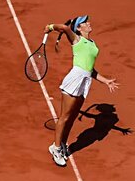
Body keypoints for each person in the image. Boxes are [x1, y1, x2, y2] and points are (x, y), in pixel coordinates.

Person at [44, 15, 119, 167]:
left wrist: (105, 80)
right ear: (79, 28)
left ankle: (63, 144)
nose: (89, 23)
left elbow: (89, 68)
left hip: (85, 82)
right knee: (64, 117)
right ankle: (56, 148)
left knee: (72, 118)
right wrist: (50, 27)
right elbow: (65, 28)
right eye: (85, 22)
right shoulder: (76, 40)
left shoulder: (92, 43)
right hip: (74, 80)